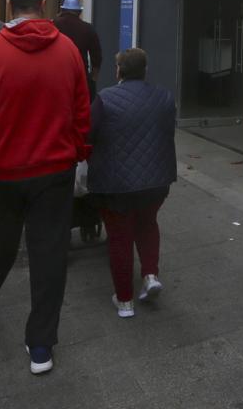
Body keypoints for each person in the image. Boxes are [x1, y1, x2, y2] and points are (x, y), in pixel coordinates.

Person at [0, 0, 90, 376]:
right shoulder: (68, 50)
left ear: (10, 5)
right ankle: (40, 345)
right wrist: (79, 152)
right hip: (53, 170)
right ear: (44, 3)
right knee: (50, 255)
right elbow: (81, 110)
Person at [87, 48, 177, 318]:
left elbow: (88, 135)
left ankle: (124, 300)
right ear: (145, 70)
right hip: (157, 180)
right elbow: (167, 131)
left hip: (117, 184)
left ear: (118, 71)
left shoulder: (105, 99)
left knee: (120, 238)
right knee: (148, 224)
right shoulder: (165, 97)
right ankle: (150, 275)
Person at [53, 0, 102, 98]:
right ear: (79, 12)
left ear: (62, 10)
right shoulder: (88, 28)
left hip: (56, 75)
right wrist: (93, 79)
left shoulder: (52, 25)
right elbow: (96, 57)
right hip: (80, 75)